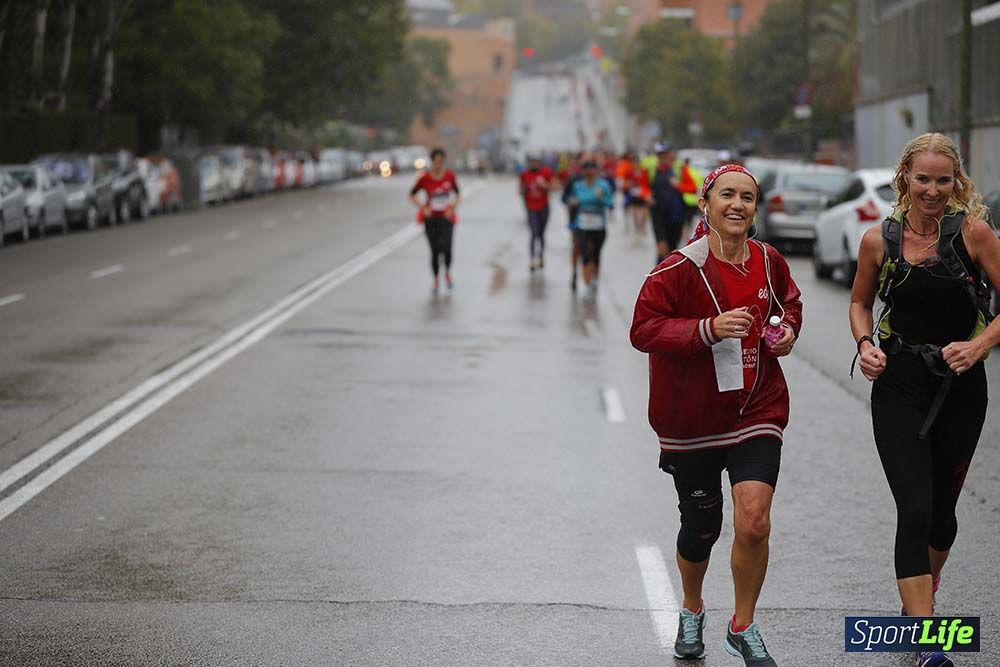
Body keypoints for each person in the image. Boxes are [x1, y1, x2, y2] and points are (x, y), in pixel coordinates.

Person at [631, 164, 802, 667]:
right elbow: (643, 329)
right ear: (704, 204)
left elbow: (788, 304)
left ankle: (743, 625)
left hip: (756, 406)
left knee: (754, 519)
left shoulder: (769, 261)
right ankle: (692, 608)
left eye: (747, 197)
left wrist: (787, 330)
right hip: (694, 418)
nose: (738, 204)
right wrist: (707, 329)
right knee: (701, 528)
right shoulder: (677, 268)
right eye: (727, 194)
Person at [849, 133, 1000, 667]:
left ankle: (924, 595)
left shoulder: (975, 235)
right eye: (923, 179)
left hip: (961, 389)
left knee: (942, 517)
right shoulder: (879, 240)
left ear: (955, 182)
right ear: (905, 179)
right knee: (913, 509)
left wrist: (980, 344)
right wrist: (866, 345)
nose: (932, 190)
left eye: (943, 180)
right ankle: (926, 639)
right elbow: (860, 302)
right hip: (898, 385)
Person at [410, 148, 460, 292]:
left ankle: (448, 273)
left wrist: (452, 208)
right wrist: (423, 208)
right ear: (432, 162)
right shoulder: (425, 178)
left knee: (448, 249)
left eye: (441, 162)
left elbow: (457, 194)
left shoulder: (449, 176)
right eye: (436, 162)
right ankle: (436, 279)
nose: (438, 165)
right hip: (431, 219)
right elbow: (412, 194)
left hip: (446, 218)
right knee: (435, 251)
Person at [567, 157, 614, 301]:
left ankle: (594, 281)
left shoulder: (603, 185)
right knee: (585, 256)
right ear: (583, 171)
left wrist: (601, 199)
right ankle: (587, 285)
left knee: (596, 255)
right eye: (586, 169)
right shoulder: (578, 186)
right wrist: (572, 203)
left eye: (592, 168)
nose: (589, 171)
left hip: (598, 225)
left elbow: (611, 204)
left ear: (596, 170)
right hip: (582, 224)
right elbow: (570, 201)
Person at [648, 142, 686, 265]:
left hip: (676, 214)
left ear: (670, 154)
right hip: (658, 212)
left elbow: (693, 188)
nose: (662, 157)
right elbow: (643, 185)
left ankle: (670, 274)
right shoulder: (652, 169)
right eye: (660, 155)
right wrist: (646, 195)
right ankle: (658, 273)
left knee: (672, 247)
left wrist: (678, 186)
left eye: (665, 154)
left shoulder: (680, 168)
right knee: (661, 245)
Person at [519, 155, 555, 271]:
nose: (534, 164)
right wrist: (524, 190)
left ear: (539, 162)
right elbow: (519, 190)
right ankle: (532, 259)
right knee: (533, 233)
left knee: (541, 234)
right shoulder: (525, 174)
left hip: (544, 207)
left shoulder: (546, 172)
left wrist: (544, 185)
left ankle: (541, 256)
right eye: (531, 162)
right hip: (531, 208)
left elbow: (556, 186)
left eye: (536, 162)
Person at [616, 149, 651, 240]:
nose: (635, 165)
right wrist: (629, 185)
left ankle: (642, 226)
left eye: (636, 163)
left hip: (643, 194)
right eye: (633, 163)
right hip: (634, 195)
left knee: (644, 214)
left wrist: (647, 192)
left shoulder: (644, 171)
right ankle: (637, 230)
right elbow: (625, 181)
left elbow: (647, 183)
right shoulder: (630, 172)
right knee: (634, 214)